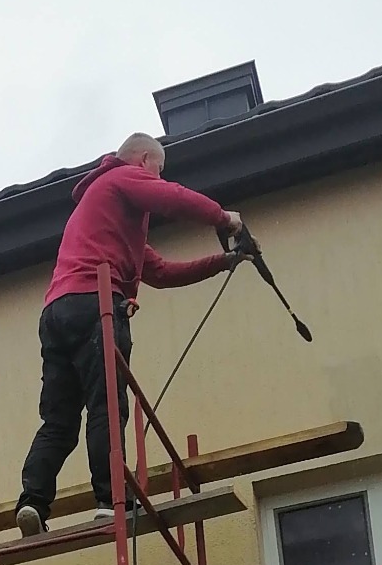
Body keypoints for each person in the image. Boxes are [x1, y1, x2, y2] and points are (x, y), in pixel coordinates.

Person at [15, 133, 242, 535]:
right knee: (107, 405)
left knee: (59, 419)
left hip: (56, 311)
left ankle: (33, 502)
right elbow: (173, 197)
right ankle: (109, 499)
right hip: (94, 303)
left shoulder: (110, 220)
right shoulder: (121, 178)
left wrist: (224, 261)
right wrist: (224, 218)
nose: (158, 176)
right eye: (158, 167)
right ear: (143, 160)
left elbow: (163, 273)